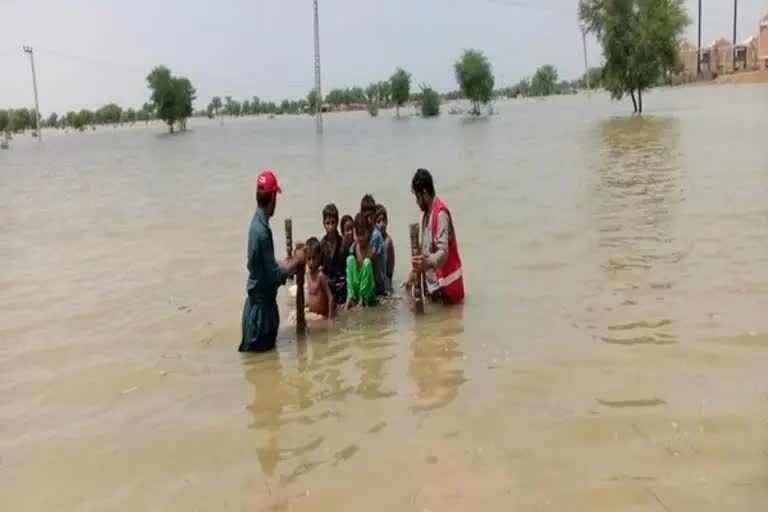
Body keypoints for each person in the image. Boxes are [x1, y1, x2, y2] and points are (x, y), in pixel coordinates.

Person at [240, 170, 305, 352]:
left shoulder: (256, 225)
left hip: (254, 308)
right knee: (263, 359)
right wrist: (296, 262)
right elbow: (274, 276)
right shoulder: (262, 233)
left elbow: (264, 267)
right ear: (273, 197)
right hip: (262, 313)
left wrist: (286, 262)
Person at [407, 168, 465, 304]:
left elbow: (443, 252)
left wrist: (426, 263)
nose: (417, 202)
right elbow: (425, 250)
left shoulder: (441, 215)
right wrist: (413, 272)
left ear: (425, 193)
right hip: (434, 291)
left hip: (447, 294)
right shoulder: (425, 216)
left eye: (418, 197)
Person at [346, 213, 377, 308]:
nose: (360, 238)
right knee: (350, 259)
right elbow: (351, 274)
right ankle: (350, 297)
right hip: (357, 286)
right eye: (358, 234)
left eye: (363, 234)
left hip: (369, 289)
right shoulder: (353, 248)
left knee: (367, 262)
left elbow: (373, 275)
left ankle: (363, 299)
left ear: (368, 232)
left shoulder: (372, 250)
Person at [360, 194, 387, 295]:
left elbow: (369, 260)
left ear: (374, 214)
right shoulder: (365, 232)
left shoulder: (375, 235)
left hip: (377, 284)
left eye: (371, 216)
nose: (369, 220)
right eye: (366, 217)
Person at [320, 203, 347, 305]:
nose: (330, 227)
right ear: (323, 223)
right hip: (328, 288)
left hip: (342, 287)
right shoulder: (321, 245)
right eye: (327, 223)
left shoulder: (343, 243)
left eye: (333, 222)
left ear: (337, 222)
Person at [305, 237, 335, 319]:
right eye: (308, 258)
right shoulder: (307, 274)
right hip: (312, 313)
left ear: (319, 257)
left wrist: (330, 319)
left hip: (322, 316)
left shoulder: (320, 276)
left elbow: (330, 297)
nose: (311, 262)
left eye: (314, 258)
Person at [375, 204, 395, 293]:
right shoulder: (373, 239)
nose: (382, 224)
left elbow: (389, 272)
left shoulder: (387, 241)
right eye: (378, 221)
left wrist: (388, 289)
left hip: (385, 284)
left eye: (384, 220)